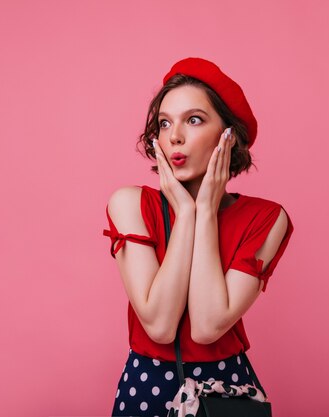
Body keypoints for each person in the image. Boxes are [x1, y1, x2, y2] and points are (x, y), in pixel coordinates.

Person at [103, 57, 294, 417]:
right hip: (148, 387)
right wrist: (186, 213)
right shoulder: (130, 204)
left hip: (226, 391)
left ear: (229, 135)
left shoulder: (266, 218)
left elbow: (207, 325)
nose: (174, 135)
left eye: (194, 120)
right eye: (164, 123)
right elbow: (159, 326)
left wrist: (205, 210)